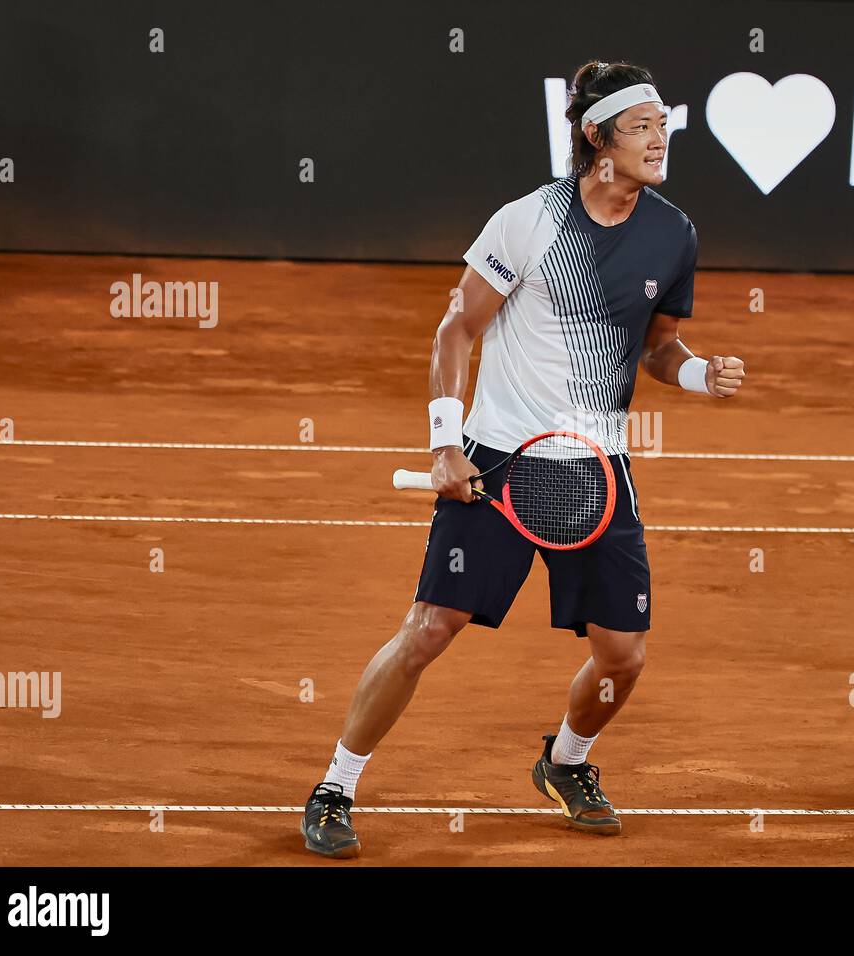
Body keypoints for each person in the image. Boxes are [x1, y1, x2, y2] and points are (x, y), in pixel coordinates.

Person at [301, 59, 746, 858]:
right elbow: (456, 330)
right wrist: (445, 442)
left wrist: (699, 374)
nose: (659, 138)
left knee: (623, 655)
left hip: (598, 468)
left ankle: (566, 762)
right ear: (595, 138)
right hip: (501, 461)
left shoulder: (674, 233)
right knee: (431, 629)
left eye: (663, 125)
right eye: (641, 126)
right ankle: (336, 784)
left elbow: (658, 346)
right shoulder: (529, 221)